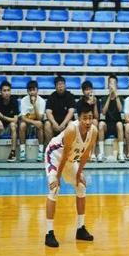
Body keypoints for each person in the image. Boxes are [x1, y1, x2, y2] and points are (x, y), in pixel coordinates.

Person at [44, 102, 98, 248]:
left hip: (69, 160)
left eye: (90, 118)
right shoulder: (71, 129)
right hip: (55, 156)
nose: (88, 121)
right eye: (84, 118)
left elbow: (86, 154)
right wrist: (57, 177)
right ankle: (49, 233)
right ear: (78, 118)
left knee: (81, 186)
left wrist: (79, 173)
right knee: (54, 189)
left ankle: (80, 229)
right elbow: (64, 155)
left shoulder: (93, 131)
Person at [99, 75, 125, 163]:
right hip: (108, 125)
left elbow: (120, 109)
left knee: (120, 124)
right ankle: (101, 153)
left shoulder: (120, 98)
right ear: (108, 85)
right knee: (101, 124)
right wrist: (109, 97)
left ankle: (121, 153)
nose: (112, 85)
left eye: (113, 83)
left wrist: (115, 96)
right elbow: (103, 112)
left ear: (116, 85)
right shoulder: (104, 98)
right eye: (110, 83)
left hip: (117, 125)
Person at [0, 81, 18, 163]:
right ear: (1, 92)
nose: (7, 93)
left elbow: (15, 120)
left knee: (13, 125)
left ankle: (13, 152)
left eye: (8, 90)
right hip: (0, 127)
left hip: (9, 128)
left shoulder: (14, 101)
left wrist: (2, 117)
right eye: (4, 91)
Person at [19, 80, 45, 162]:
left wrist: (34, 105)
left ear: (37, 90)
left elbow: (40, 118)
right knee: (22, 125)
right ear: (27, 91)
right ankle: (22, 151)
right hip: (27, 122)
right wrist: (34, 122)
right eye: (30, 90)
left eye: (34, 90)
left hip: (37, 121)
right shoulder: (24, 100)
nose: (32, 92)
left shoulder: (42, 101)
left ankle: (41, 151)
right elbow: (23, 117)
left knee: (40, 124)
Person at [76, 80, 102, 162]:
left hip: (92, 124)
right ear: (83, 92)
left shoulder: (96, 101)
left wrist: (94, 104)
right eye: (86, 90)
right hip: (83, 122)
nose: (88, 91)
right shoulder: (80, 102)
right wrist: (88, 104)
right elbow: (80, 117)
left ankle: (92, 153)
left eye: (90, 89)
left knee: (95, 122)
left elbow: (97, 117)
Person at [44, 76, 76, 143]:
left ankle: (68, 147)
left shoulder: (70, 96)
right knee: (47, 124)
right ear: (55, 86)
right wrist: (54, 123)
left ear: (65, 85)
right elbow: (48, 112)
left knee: (71, 124)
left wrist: (64, 124)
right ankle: (51, 146)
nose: (60, 86)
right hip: (55, 123)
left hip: (66, 122)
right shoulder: (51, 97)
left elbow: (71, 111)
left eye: (62, 84)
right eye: (58, 84)